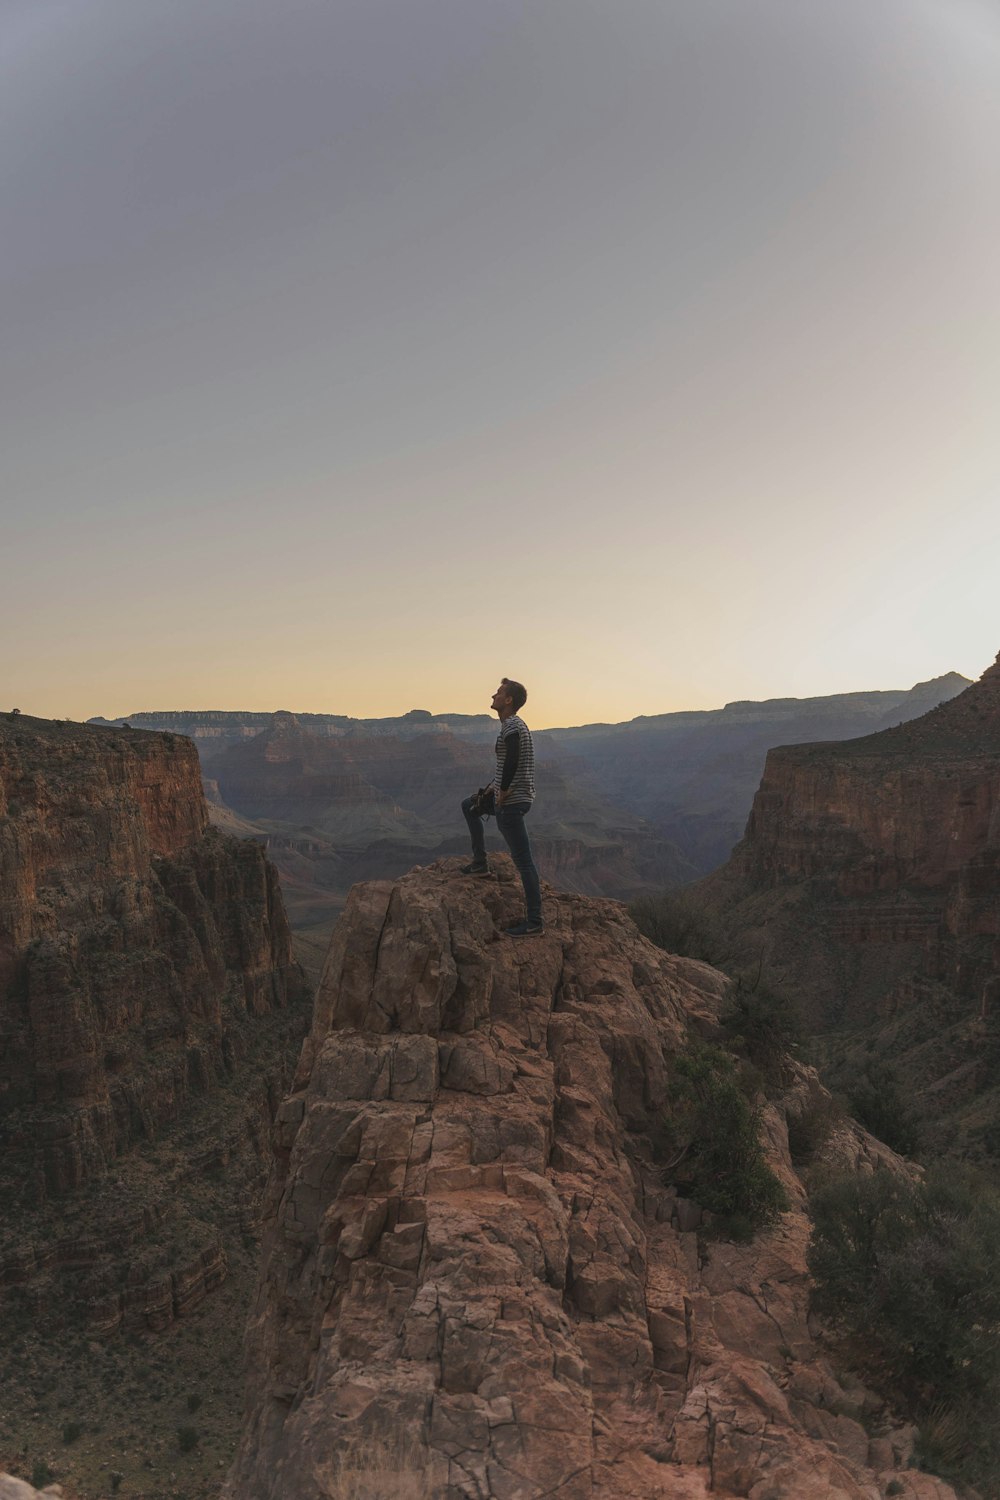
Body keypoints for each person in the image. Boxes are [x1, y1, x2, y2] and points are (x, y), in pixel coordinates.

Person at [461, 678, 543, 937]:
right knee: (470, 806)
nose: (493, 695)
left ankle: (534, 923)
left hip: (512, 802)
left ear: (508, 700)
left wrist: (503, 792)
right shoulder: (512, 725)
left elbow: (514, 759)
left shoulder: (512, 726)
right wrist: (491, 789)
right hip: (510, 797)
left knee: (524, 862)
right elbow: (507, 762)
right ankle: (479, 864)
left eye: (498, 693)